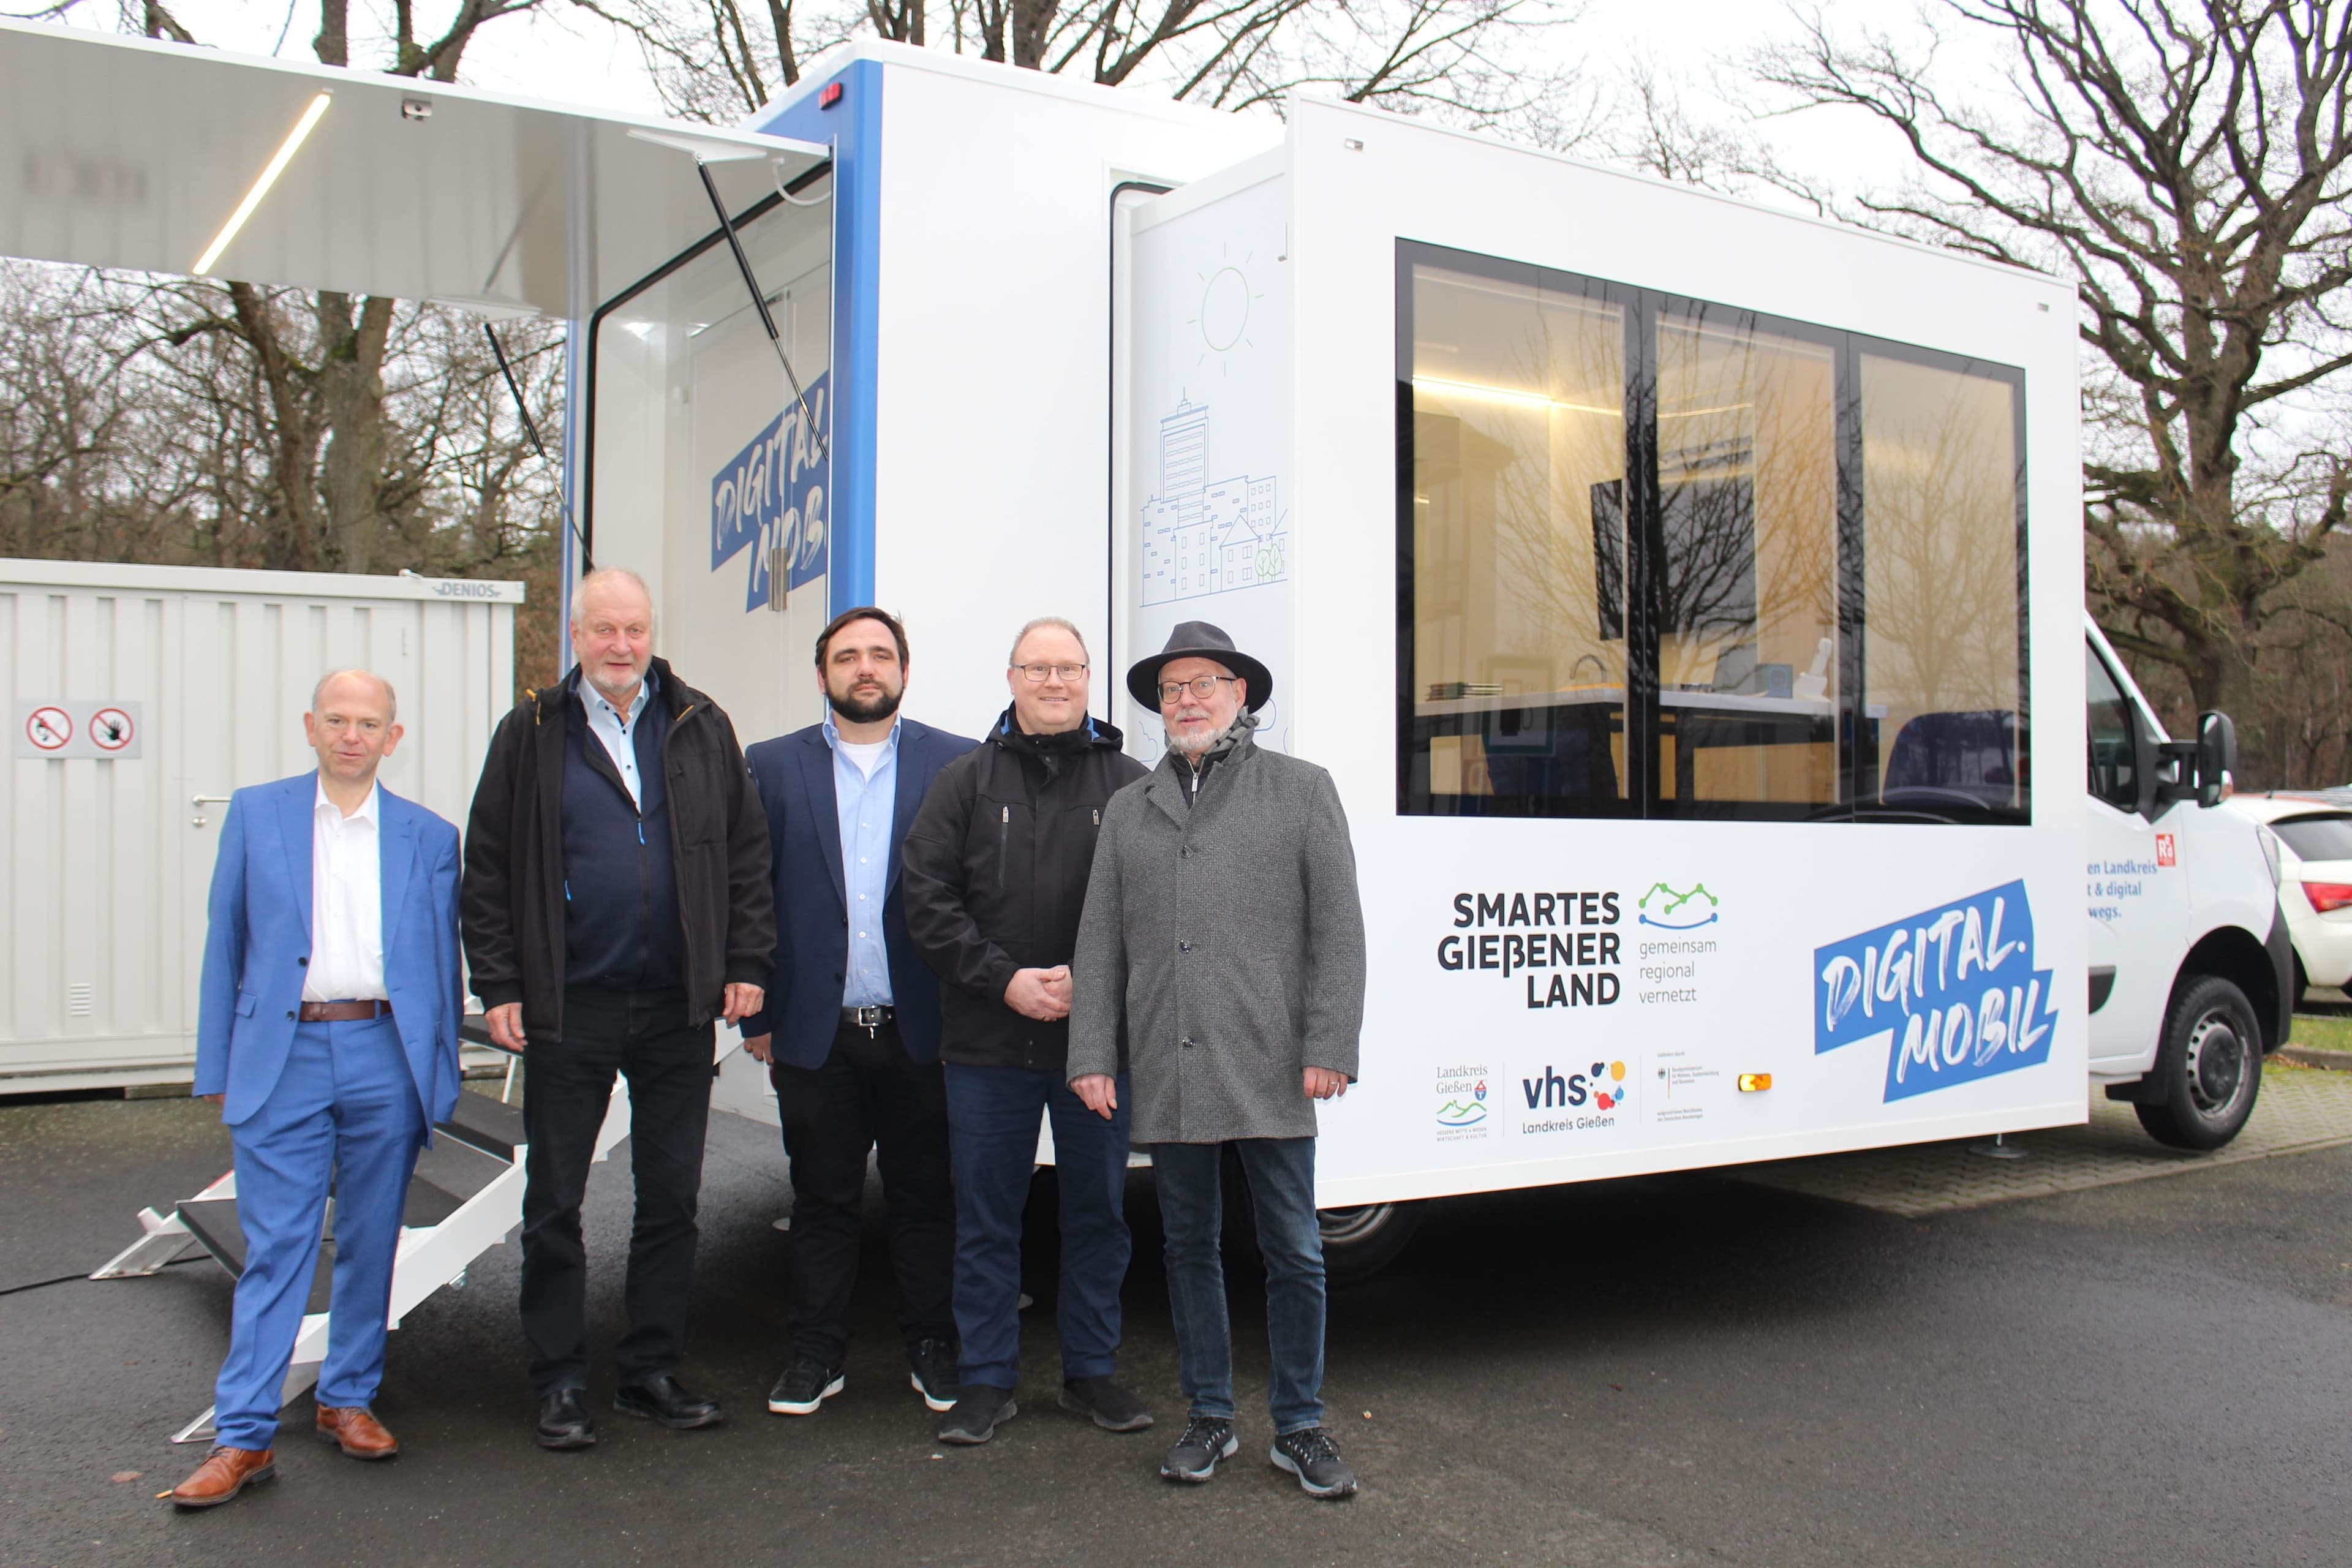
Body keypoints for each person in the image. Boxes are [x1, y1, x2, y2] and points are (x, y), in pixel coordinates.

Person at [460, 567, 775, 1451]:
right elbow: (488, 868)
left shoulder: (700, 724)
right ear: (575, 633)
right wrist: (502, 986)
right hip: (571, 1004)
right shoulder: (530, 732)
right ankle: (559, 1381)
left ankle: (650, 1371)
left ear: (651, 633)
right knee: (555, 1199)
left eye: (634, 629)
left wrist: (747, 960)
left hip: (679, 1003)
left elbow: (747, 854)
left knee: (670, 1198)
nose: (620, 645)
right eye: (604, 629)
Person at [1066, 621, 1368, 1500]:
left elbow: (1339, 933)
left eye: (1204, 684)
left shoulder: (1303, 792)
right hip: (1171, 1062)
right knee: (1188, 1247)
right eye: (1171, 689)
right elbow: (1098, 947)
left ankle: (1300, 1426)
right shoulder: (1131, 808)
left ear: (1243, 695)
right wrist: (1093, 1053)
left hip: (1275, 1063)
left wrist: (1329, 1044)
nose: (1186, 700)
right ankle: (1208, 1417)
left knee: (1295, 1251)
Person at [169, 671, 464, 1509]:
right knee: (279, 1247)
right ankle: (245, 1436)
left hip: (384, 1054)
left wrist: (436, 1078)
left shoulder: (428, 837)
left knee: (373, 1239)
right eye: (337, 719)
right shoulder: (258, 816)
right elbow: (224, 940)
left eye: (369, 723)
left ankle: (347, 1397)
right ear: (310, 726)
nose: (351, 735)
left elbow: (443, 970)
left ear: (392, 739)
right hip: (284, 1053)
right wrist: (219, 1067)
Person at [902, 617, 1152, 1446]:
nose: (1055, 682)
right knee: (985, 1217)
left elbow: (1161, 904)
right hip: (986, 1044)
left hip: (1095, 1046)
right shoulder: (963, 783)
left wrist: (1096, 980)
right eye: (1037, 668)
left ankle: (1092, 1374)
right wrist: (1003, 979)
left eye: (1069, 668)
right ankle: (984, 1382)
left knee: (1097, 1214)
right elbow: (926, 900)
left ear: (1089, 679)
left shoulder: (1131, 784)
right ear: (1010, 679)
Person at [739, 607, 975, 1420]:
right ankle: (814, 1354)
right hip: (814, 1031)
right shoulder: (769, 767)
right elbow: (751, 896)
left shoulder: (958, 764)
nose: (865, 668)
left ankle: (933, 1345)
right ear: (823, 675)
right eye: (848, 657)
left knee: (925, 1200)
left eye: (880, 654)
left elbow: (977, 898)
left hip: (924, 1031)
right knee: (822, 1201)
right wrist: (755, 1015)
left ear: (904, 671)